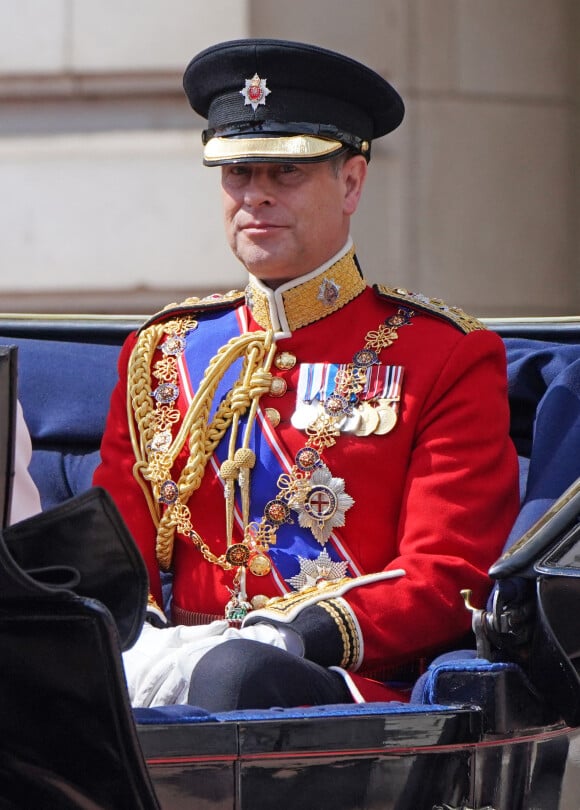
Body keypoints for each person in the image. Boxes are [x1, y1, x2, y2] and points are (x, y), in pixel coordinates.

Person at [94, 38, 520, 710]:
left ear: (351, 182)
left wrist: (299, 632)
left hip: (337, 690)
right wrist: (135, 633)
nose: (255, 197)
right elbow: (119, 547)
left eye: (285, 174)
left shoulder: (442, 353)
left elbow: (449, 573)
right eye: (238, 175)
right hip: (170, 689)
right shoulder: (166, 349)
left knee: (237, 677)